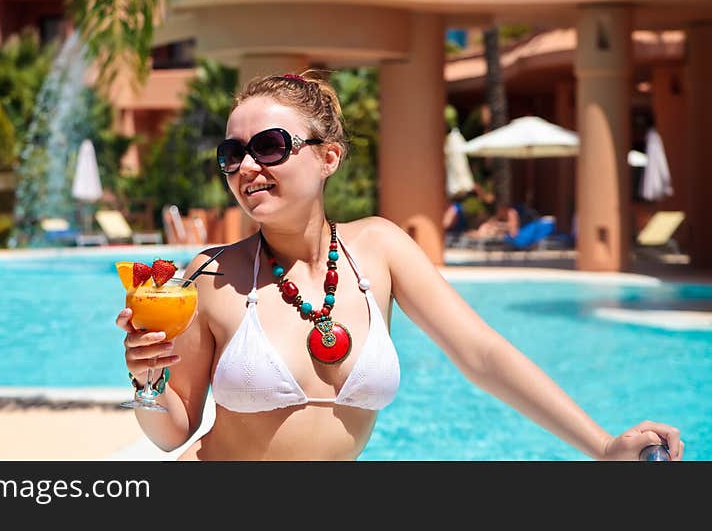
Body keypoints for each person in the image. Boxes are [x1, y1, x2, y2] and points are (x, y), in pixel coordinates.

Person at [116, 71, 683, 461]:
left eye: (269, 146)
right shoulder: (208, 276)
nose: (246, 166)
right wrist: (147, 380)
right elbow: (172, 433)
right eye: (231, 153)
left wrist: (602, 445)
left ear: (328, 157)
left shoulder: (380, 249)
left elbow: (481, 354)